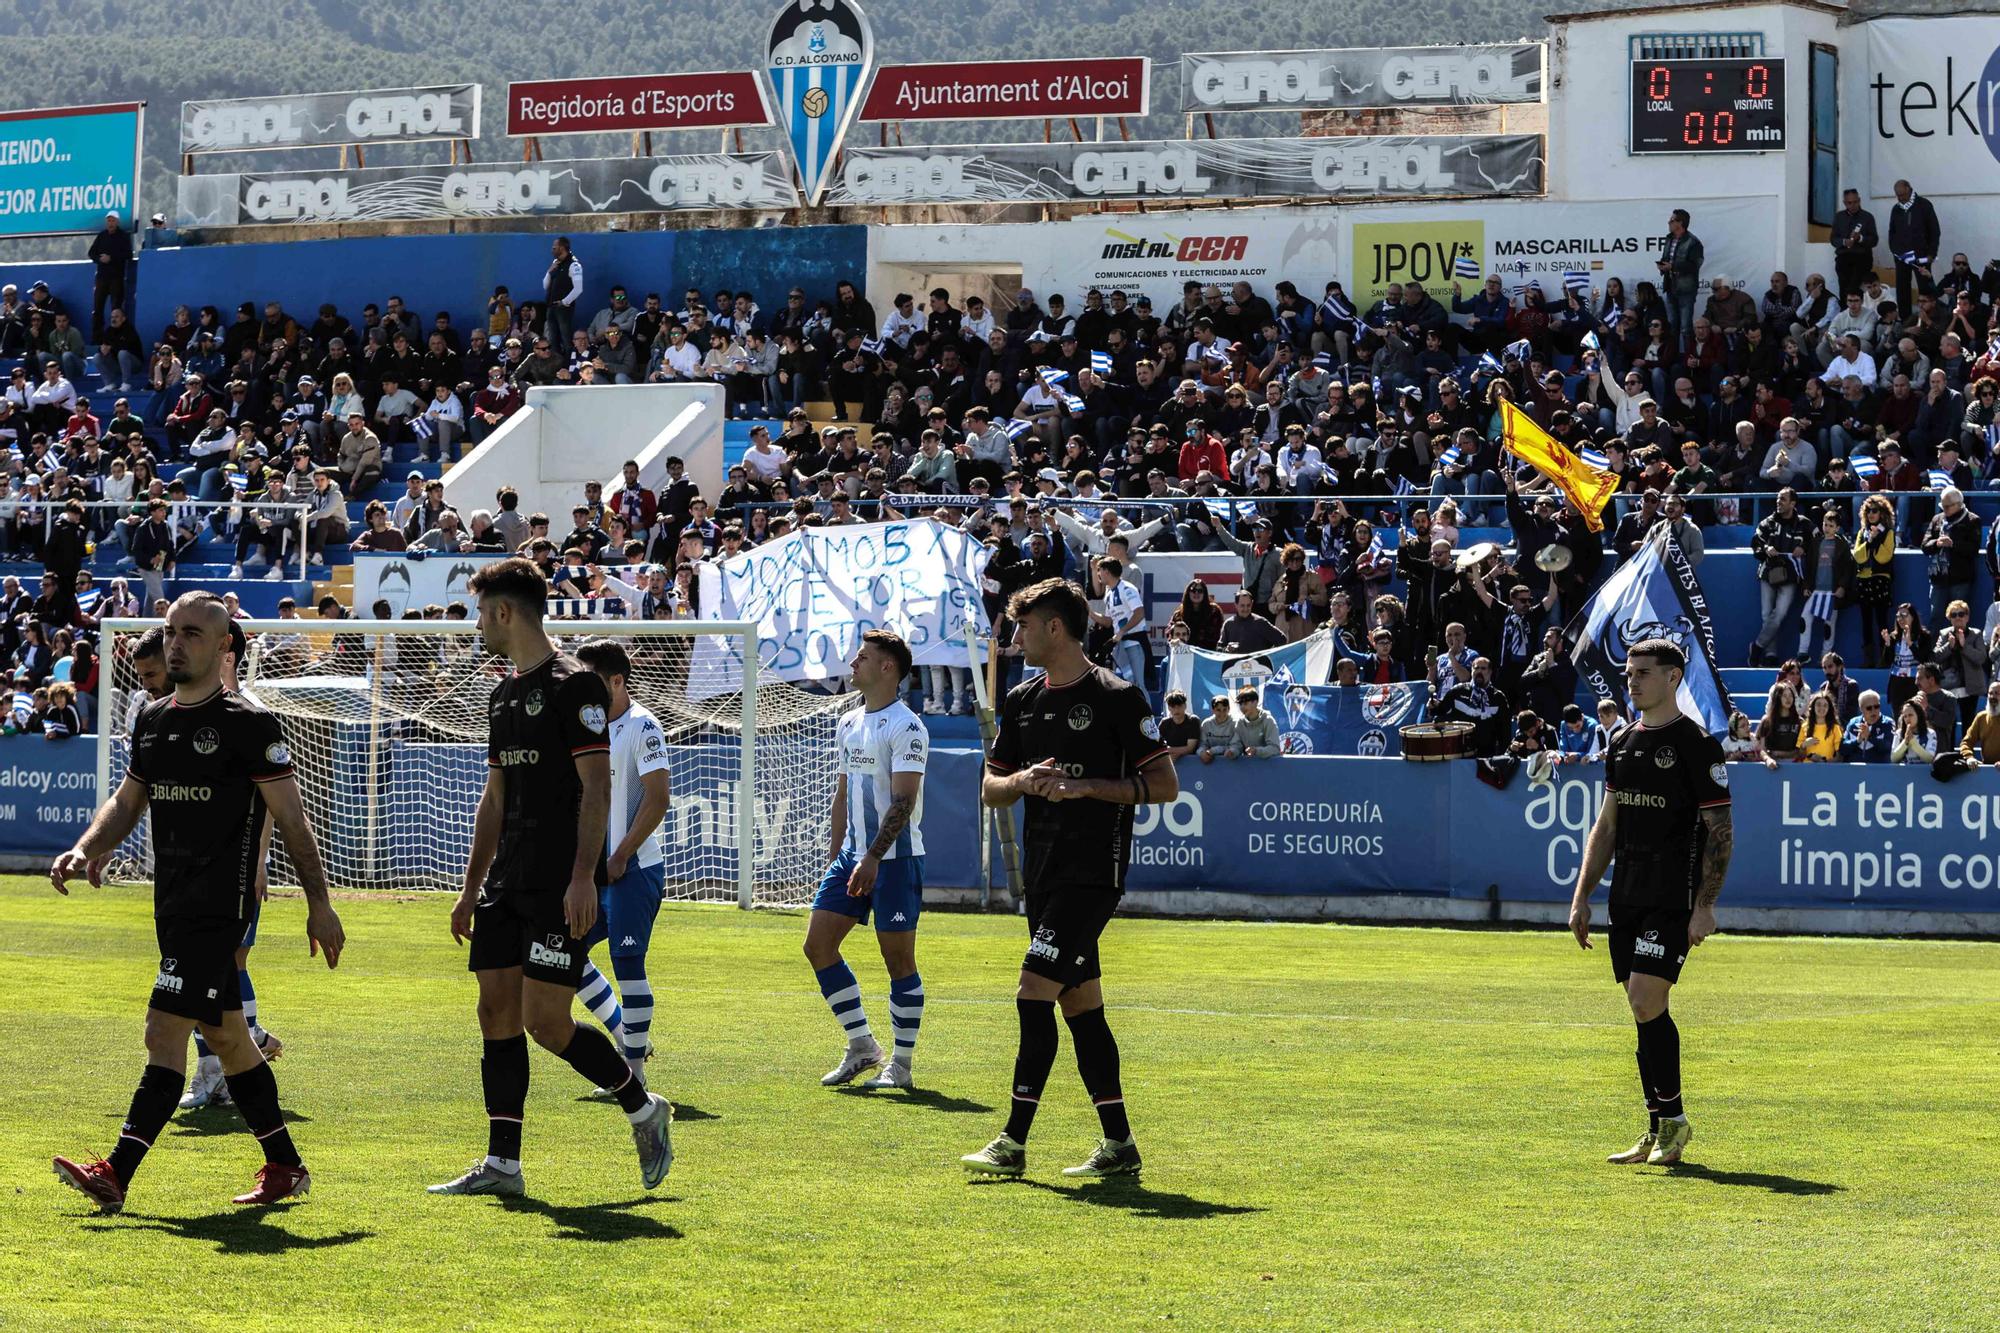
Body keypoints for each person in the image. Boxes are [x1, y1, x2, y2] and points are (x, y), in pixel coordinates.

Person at [49, 592, 344, 1213]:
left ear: (223, 646)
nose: (176, 643)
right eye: (171, 632)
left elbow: (292, 820)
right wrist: (86, 848)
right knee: (230, 1039)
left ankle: (115, 1172)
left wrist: (319, 904)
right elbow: (128, 802)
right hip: (173, 904)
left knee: (164, 1031)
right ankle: (285, 1165)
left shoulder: (249, 724)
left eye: (192, 634)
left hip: (220, 907)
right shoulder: (152, 719)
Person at [428, 559, 671, 1198]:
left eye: (481, 612)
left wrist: (583, 879)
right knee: (494, 1012)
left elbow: (597, 788)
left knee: (547, 1023)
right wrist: (470, 886)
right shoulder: (502, 694)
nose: (478, 624)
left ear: (505, 612)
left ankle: (643, 1108)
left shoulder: (576, 686)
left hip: (559, 883)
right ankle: (503, 1164)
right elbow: (495, 797)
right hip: (506, 882)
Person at [965, 577, 1176, 1179]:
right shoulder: (1023, 700)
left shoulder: (1117, 696)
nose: (1014, 638)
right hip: (1043, 873)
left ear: (1054, 628)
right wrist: (1024, 781)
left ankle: (1012, 1142)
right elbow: (990, 789)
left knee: (1033, 992)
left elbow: (1164, 786)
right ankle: (1120, 1146)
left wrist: (1089, 787)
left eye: (1022, 627)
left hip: (1093, 873)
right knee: (1082, 1008)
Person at [1568, 638, 1732, 1169]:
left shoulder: (1697, 745)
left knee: (1644, 998)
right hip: (1628, 895)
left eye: (1643, 672)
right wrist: (1582, 896)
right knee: (1644, 1014)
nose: (1632, 681)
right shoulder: (1622, 743)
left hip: (1672, 897)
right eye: (1630, 672)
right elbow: (1607, 823)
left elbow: (1720, 831)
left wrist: (1705, 905)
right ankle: (1658, 1125)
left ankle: (1675, 1121)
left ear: (1673, 678)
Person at [803, 631, 930, 1092]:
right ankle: (862, 1046)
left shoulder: (907, 725)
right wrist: (838, 854)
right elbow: (843, 792)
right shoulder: (849, 722)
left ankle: (902, 1064)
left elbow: (903, 800)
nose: (853, 663)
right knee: (817, 946)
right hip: (853, 859)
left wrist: (873, 857)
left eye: (862, 657)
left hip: (894, 861)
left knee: (897, 960)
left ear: (887, 668)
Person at [570, 639, 673, 1091]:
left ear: (616, 681)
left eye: (591, 680)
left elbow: (658, 798)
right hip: (593, 871)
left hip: (634, 869)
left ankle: (635, 1074)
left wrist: (622, 854)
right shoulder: (584, 728)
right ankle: (627, 1040)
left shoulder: (642, 726)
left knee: (628, 962)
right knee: (563, 955)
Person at [1234, 685, 1281, 758]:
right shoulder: (1240, 723)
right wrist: (1233, 752)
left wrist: (1256, 751)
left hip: (1269, 767)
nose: (1242, 707)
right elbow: (1236, 745)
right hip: (1248, 767)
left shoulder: (1268, 721)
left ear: (1255, 702)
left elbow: (1275, 749)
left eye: (1245, 703)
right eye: (1240, 704)